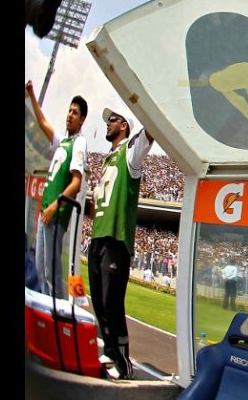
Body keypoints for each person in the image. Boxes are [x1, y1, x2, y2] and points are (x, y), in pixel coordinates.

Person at [88, 107, 154, 380]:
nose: (107, 124)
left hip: (116, 238)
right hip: (98, 235)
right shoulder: (108, 158)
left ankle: (124, 363)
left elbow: (151, 130)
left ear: (124, 125)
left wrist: (142, 100)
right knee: (99, 304)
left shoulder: (130, 153)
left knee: (111, 302)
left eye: (111, 120)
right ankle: (109, 353)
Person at [25, 80, 88, 298]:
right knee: (42, 273)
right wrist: (32, 95)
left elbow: (76, 183)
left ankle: (57, 321)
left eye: (75, 112)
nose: (69, 115)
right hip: (45, 215)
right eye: (69, 111)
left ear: (82, 120)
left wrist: (55, 205)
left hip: (55, 215)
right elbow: (43, 123)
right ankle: (45, 319)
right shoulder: (62, 143)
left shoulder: (79, 144)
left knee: (50, 276)